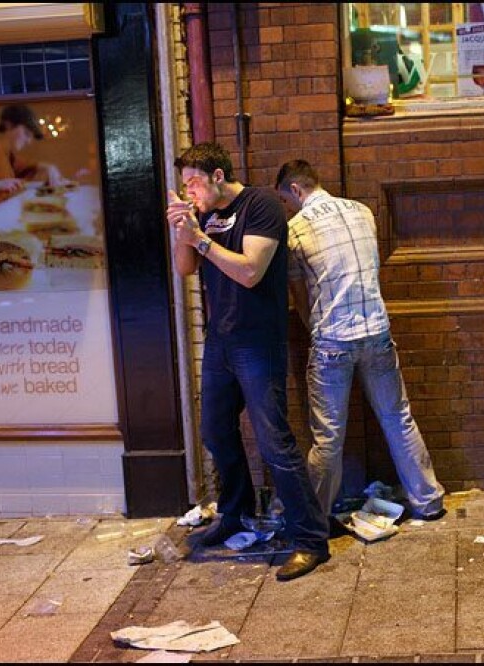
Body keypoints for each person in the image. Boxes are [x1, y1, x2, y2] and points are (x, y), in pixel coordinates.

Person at [166, 142, 330, 581]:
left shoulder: (261, 206)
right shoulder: (201, 214)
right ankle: (235, 514)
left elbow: (250, 271)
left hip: (258, 341)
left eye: (195, 183)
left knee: (274, 440)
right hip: (220, 340)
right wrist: (183, 230)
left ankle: (310, 539)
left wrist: (201, 239)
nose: (191, 191)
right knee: (216, 431)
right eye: (185, 186)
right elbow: (185, 268)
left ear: (218, 176)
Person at [275, 159, 446, 521]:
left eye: (287, 201)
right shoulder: (363, 212)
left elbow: (299, 295)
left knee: (328, 438)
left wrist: (315, 328)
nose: (289, 208)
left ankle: (316, 518)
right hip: (377, 332)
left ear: (295, 190)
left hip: (333, 341)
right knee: (399, 418)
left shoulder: (295, 230)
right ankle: (428, 501)